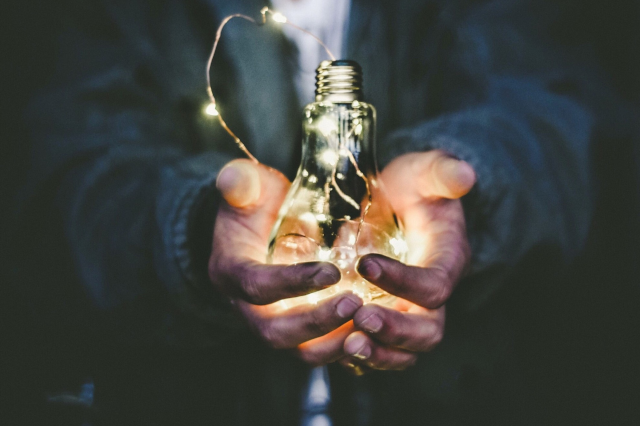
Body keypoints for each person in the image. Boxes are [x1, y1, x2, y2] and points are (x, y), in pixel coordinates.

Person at [7, 0, 631, 424]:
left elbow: (566, 116)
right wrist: (196, 228)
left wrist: (470, 185)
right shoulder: (119, 18)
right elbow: (54, 168)